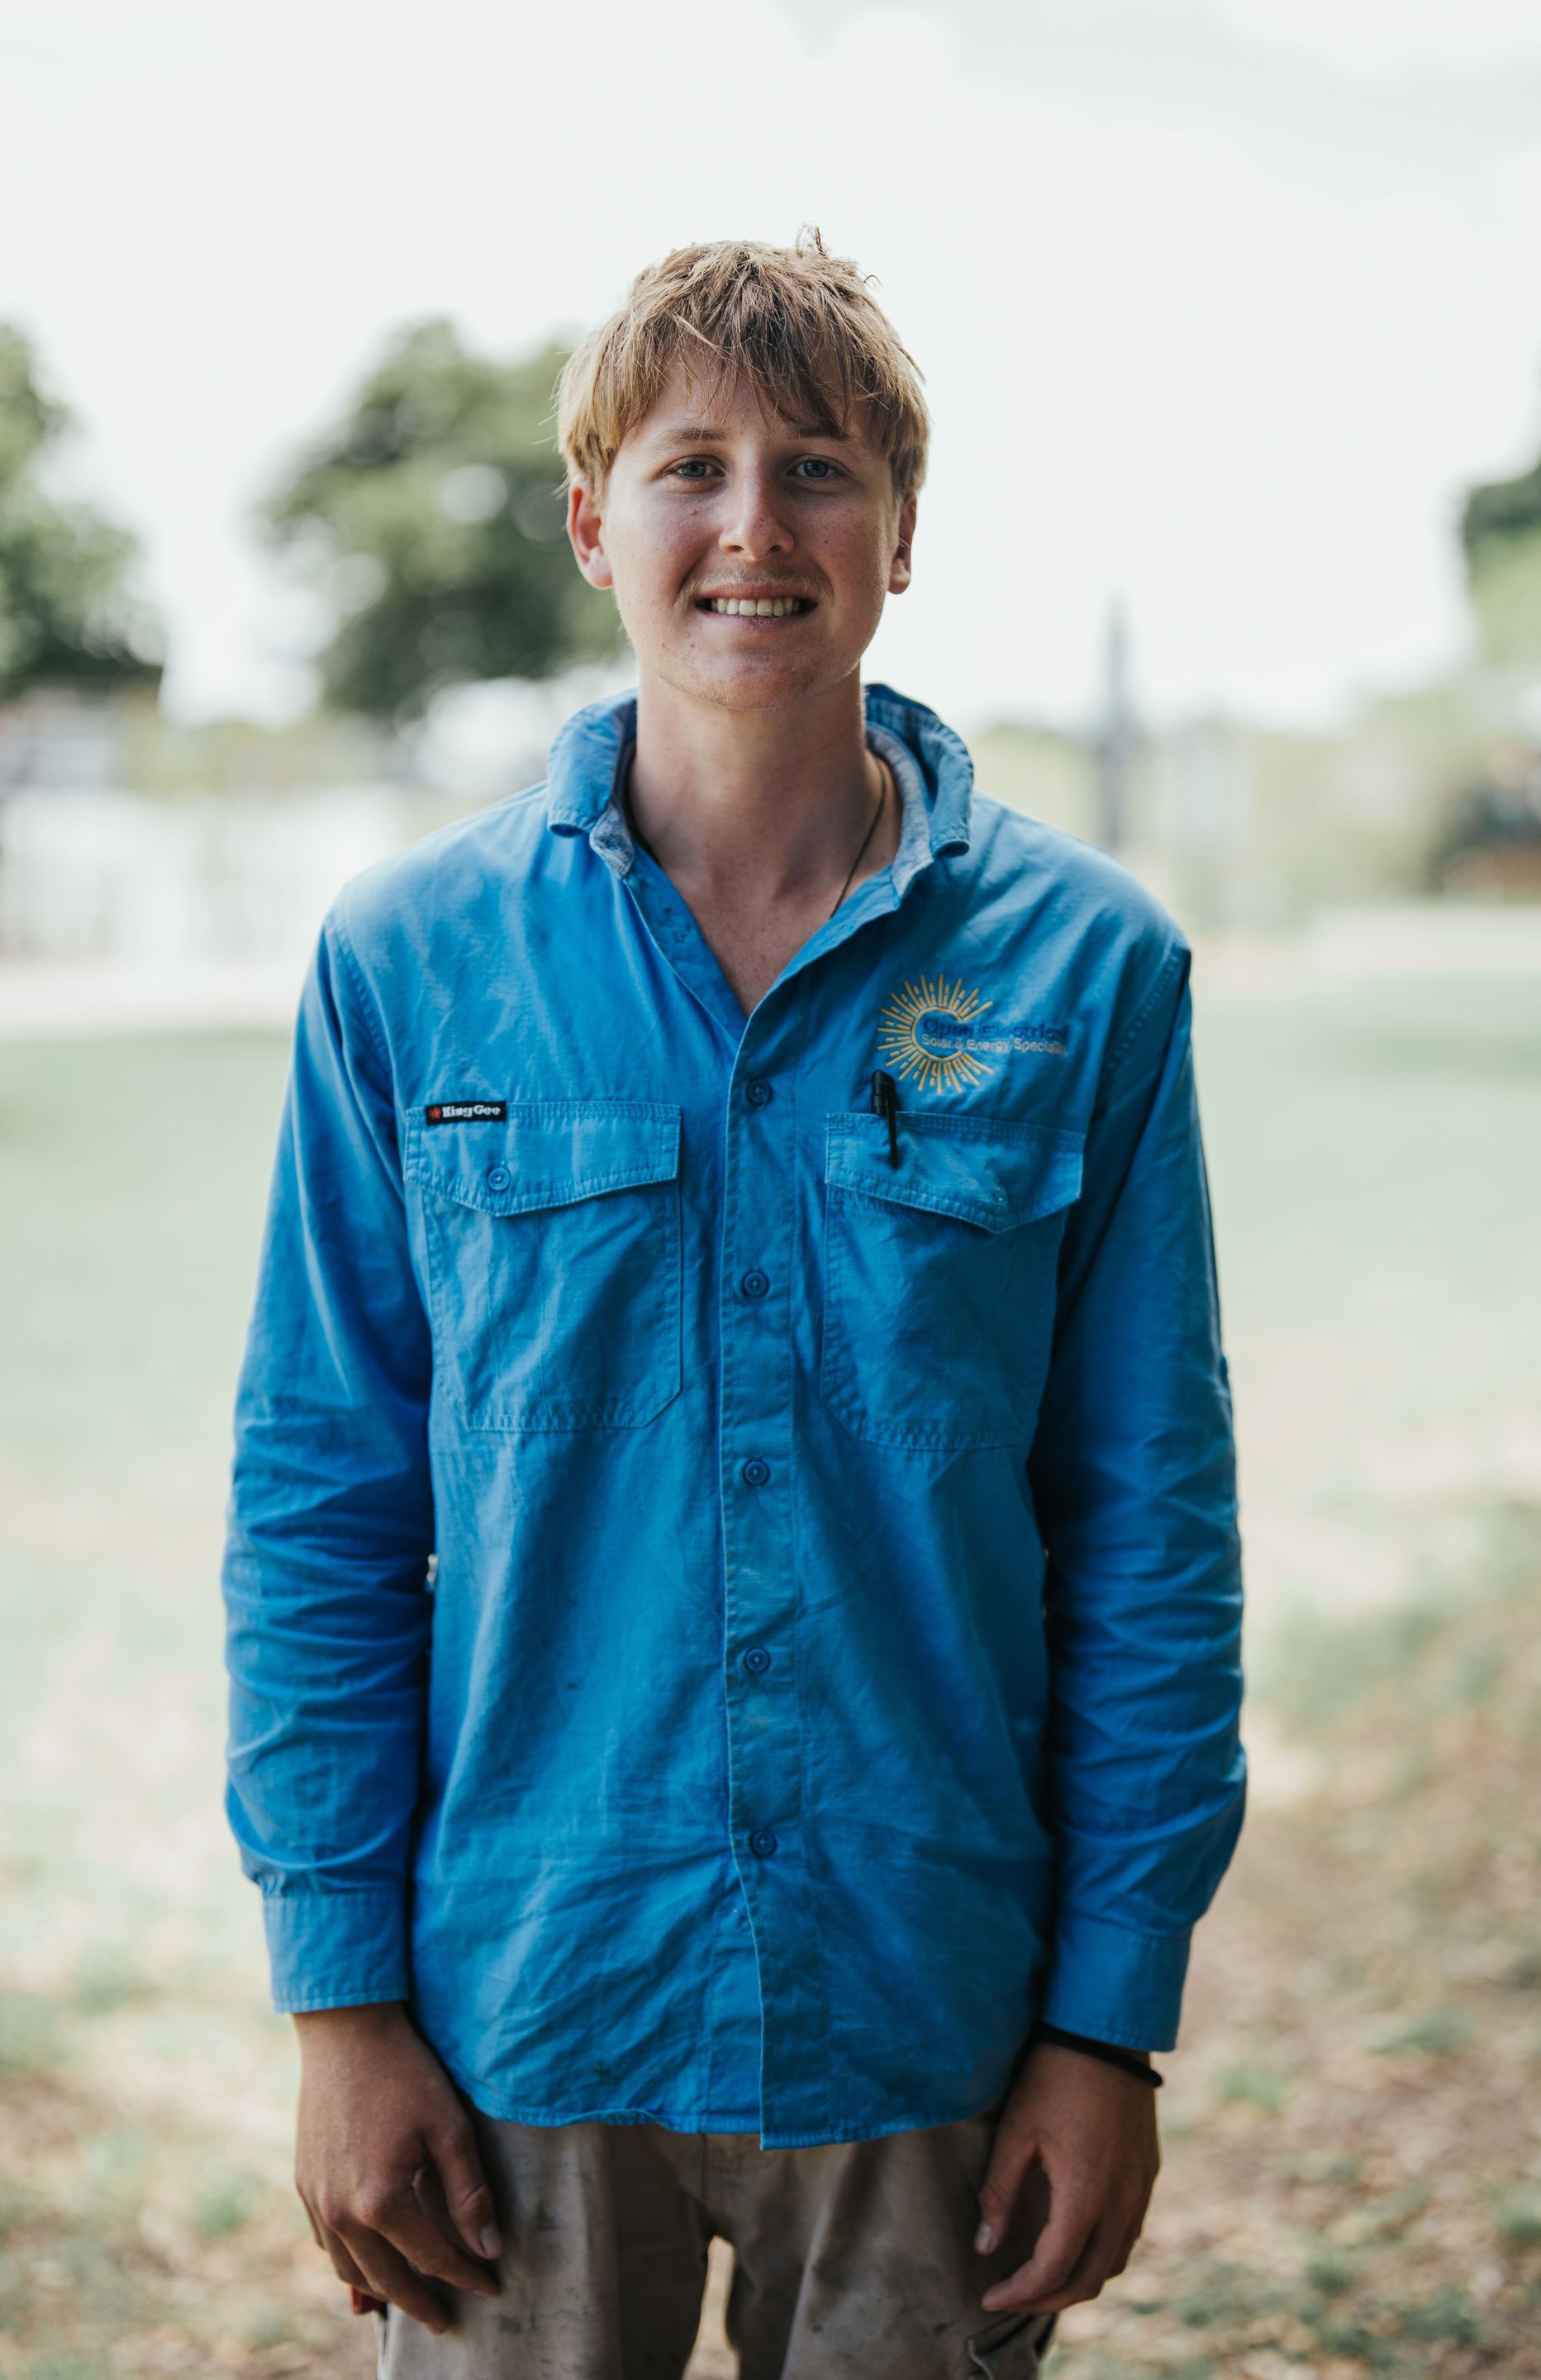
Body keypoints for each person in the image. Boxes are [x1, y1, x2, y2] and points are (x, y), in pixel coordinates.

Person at [221, 230, 1246, 2380]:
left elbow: (1152, 1528)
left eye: (824, 469)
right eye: (693, 467)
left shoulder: (1092, 977)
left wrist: (1108, 2028)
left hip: (930, 2001)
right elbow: (319, 1504)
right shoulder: (409, 966)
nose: (757, 527)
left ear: (903, 534)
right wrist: (339, 2005)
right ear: (594, 519)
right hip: (524, 2002)